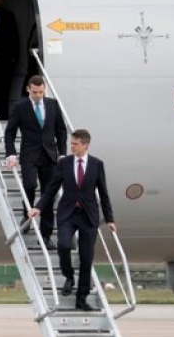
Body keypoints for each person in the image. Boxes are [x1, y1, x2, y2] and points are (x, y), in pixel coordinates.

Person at [28, 129, 117, 311]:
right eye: (71, 143)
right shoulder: (65, 164)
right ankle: (69, 276)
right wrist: (38, 206)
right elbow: (52, 188)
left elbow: (104, 193)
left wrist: (109, 219)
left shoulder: (97, 165)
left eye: (75, 144)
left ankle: (81, 299)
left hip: (88, 216)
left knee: (86, 258)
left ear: (85, 145)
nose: (72, 146)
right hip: (68, 213)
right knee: (64, 245)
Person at [4, 75, 67, 246]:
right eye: (35, 92)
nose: (38, 95)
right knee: (30, 185)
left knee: (48, 195)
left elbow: (61, 130)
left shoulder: (52, 105)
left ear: (44, 89)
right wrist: (10, 154)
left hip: (50, 155)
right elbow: (10, 132)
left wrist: (62, 153)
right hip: (29, 154)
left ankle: (46, 236)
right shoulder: (20, 106)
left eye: (41, 92)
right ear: (28, 89)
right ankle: (27, 214)